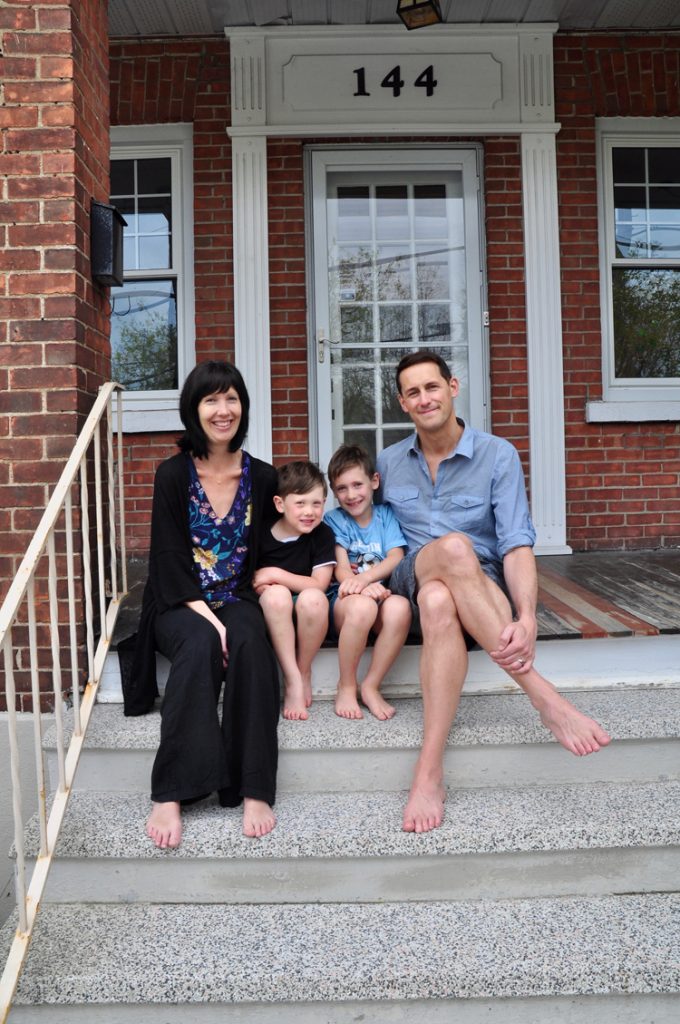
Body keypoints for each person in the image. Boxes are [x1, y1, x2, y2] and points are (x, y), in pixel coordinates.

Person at [377, 350, 612, 834]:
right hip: (412, 575)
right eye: (413, 392)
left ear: (453, 387)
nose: (425, 399)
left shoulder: (497, 454)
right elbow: (369, 529)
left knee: (443, 596)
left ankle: (429, 772)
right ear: (402, 403)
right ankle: (544, 698)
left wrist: (526, 617)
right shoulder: (388, 462)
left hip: (480, 587)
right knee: (453, 552)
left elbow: (517, 545)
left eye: (432, 387)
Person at [124, 360, 281, 848]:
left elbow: (277, 547)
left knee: (252, 643)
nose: (223, 409)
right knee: (198, 647)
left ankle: (251, 785)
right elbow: (168, 561)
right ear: (193, 409)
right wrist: (213, 625)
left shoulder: (264, 477)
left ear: (243, 407)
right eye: (211, 399)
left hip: (236, 597)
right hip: (179, 603)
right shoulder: (173, 475)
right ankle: (171, 790)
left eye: (231, 398)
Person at [324, 444, 412, 721]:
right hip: (345, 602)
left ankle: (371, 685)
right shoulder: (334, 520)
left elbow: (396, 556)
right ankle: (347, 685)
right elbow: (341, 571)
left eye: (357, 485)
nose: (351, 495)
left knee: (401, 608)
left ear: (374, 481)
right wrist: (360, 585)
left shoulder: (386, 516)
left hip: (377, 594)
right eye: (341, 488)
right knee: (362, 607)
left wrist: (366, 580)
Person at [253, 461, 336, 722]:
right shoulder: (259, 532)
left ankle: (304, 670)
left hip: (309, 613)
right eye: (300, 503)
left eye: (316, 503)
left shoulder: (322, 534)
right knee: (276, 595)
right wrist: (264, 584)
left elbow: (319, 584)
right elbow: (253, 579)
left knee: (314, 598)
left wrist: (275, 574)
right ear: (280, 504)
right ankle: (291, 679)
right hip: (273, 611)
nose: (309, 512)